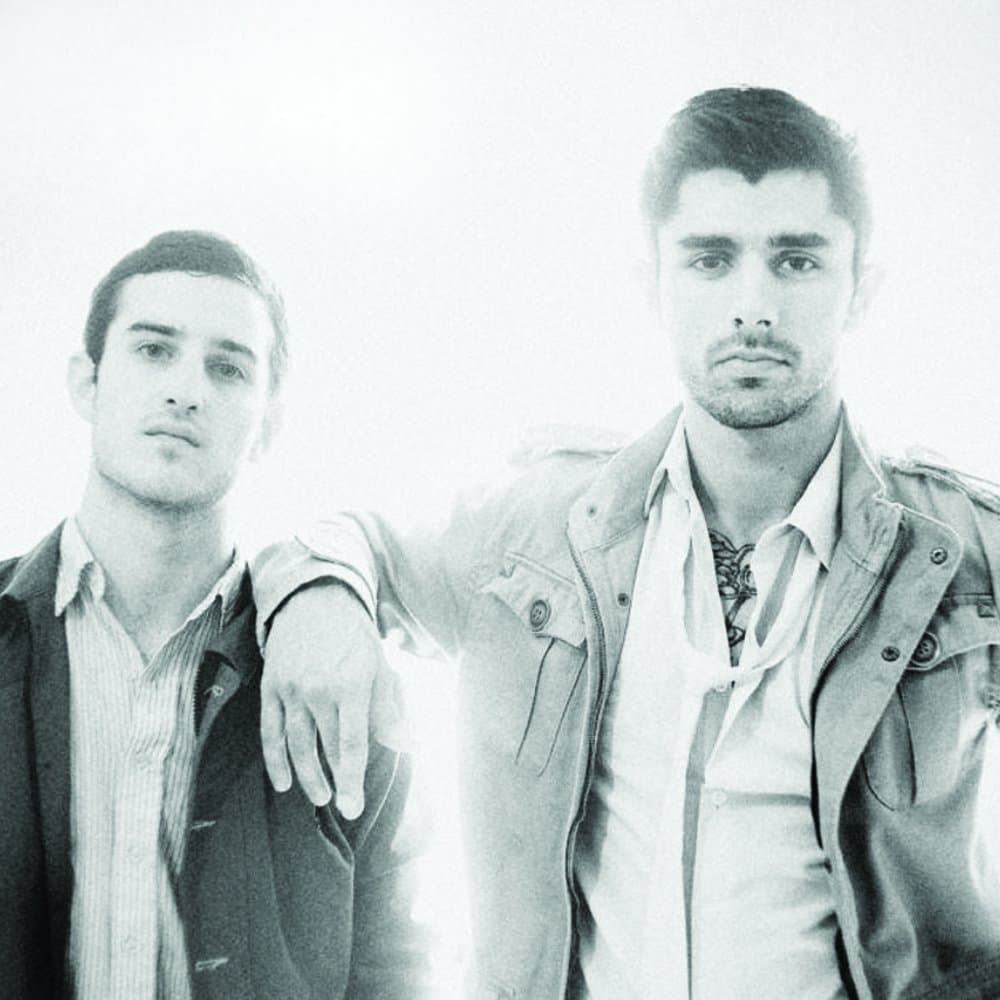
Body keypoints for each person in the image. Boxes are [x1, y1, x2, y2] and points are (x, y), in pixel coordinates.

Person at [253, 88, 1000, 999]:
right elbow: (353, 539)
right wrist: (321, 597)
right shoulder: (541, 526)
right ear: (653, 285)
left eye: (797, 260)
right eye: (710, 259)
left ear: (862, 288)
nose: (752, 305)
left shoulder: (965, 548)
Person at [0, 231, 426, 1000]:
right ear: (86, 383)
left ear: (269, 422)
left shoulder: (334, 677)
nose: (186, 390)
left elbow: (397, 966)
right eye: (153, 350)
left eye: (228, 367)